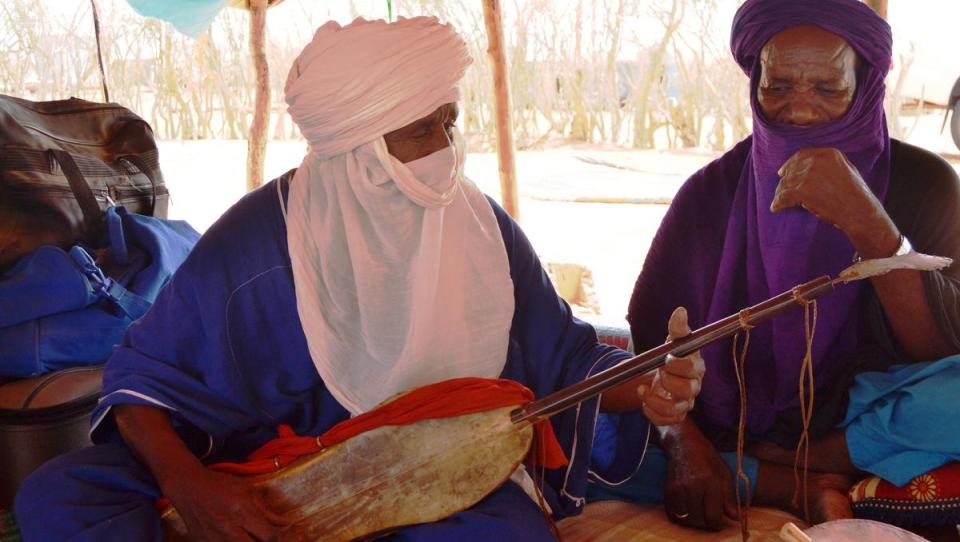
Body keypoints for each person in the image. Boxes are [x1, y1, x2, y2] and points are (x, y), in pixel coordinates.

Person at [14, 17, 705, 542]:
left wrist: (651, 385)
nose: (445, 151)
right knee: (59, 496)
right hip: (256, 471)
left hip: (427, 478)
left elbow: (568, 361)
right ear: (357, 148)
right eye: (418, 133)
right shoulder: (259, 243)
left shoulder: (479, 230)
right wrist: (188, 485)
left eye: (449, 124)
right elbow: (142, 385)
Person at [589, 0, 960, 531]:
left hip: (867, 416)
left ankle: (788, 469)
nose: (801, 111)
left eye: (828, 89)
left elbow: (940, 349)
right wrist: (683, 442)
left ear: (866, 83)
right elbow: (653, 348)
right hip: (728, 417)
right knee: (586, 435)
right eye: (778, 86)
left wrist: (871, 227)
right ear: (753, 81)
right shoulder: (709, 194)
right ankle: (794, 485)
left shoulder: (926, 183)